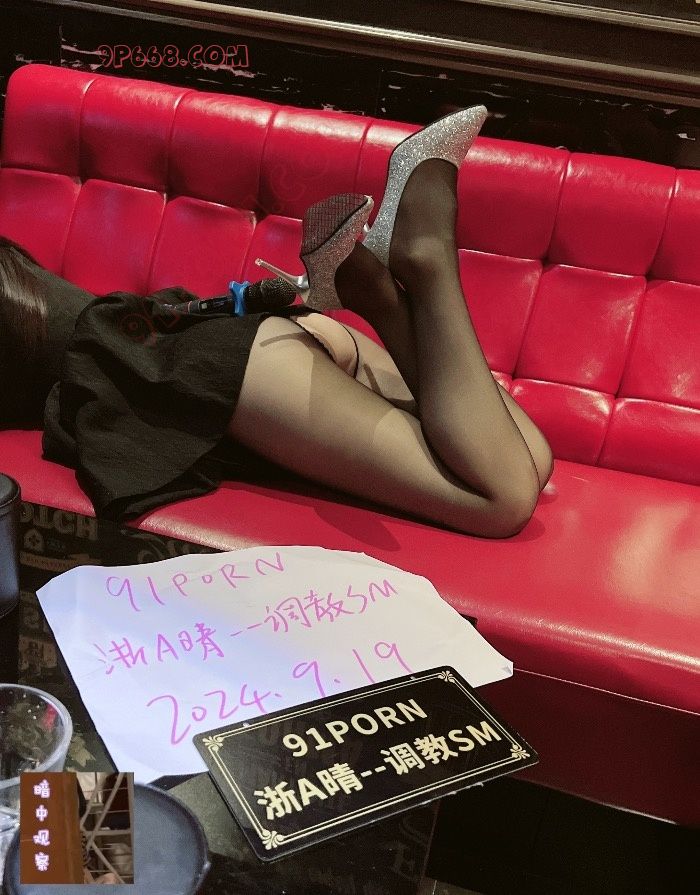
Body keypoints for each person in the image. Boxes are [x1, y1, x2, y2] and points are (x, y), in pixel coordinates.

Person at [0, 105, 552, 537]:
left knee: (499, 499)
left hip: (211, 371)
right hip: (236, 344)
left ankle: (426, 260)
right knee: (530, 460)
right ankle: (375, 295)